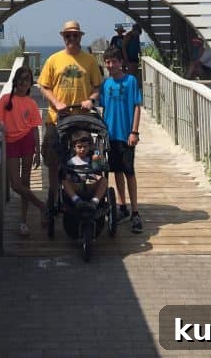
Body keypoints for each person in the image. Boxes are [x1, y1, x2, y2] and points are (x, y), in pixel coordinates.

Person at [38, 20, 102, 202]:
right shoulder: (53, 59)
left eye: (75, 35)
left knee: (83, 157)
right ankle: (53, 196)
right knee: (53, 160)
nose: (71, 38)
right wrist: (56, 102)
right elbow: (44, 86)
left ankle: (79, 191)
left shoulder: (89, 60)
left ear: (80, 37)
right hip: (56, 118)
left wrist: (90, 99)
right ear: (63, 37)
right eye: (68, 35)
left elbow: (97, 86)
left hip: (81, 119)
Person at [0, 65, 45, 237]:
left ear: (31, 83)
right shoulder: (6, 99)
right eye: (21, 79)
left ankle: (23, 222)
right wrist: (0, 126)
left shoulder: (31, 102)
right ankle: (41, 206)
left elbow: (35, 128)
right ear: (16, 81)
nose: (24, 83)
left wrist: (38, 150)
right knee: (16, 185)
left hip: (27, 142)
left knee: (26, 182)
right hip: (11, 143)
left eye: (27, 80)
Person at [100, 46, 143, 233]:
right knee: (116, 171)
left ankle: (135, 211)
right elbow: (103, 108)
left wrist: (134, 132)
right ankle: (122, 205)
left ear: (121, 62)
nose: (111, 65)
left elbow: (137, 107)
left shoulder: (131, 81)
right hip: (110, 135)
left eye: (114, 62)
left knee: (129, 172)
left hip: (126, 135)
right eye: (108, 62)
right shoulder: (105, 84)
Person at [62, 130, 108, 210]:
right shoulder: (71, 161)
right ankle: (76, 200)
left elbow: (98, 172)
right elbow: (67, 176)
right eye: (79, 147)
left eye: (85, 147)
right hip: (76, 187)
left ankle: (95, 201)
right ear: (74, 147)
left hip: (90, 186)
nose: (82, 149)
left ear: (89, 147)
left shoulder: (93, 160)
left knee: (104, 180)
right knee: (64, 181)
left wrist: (98, 155)